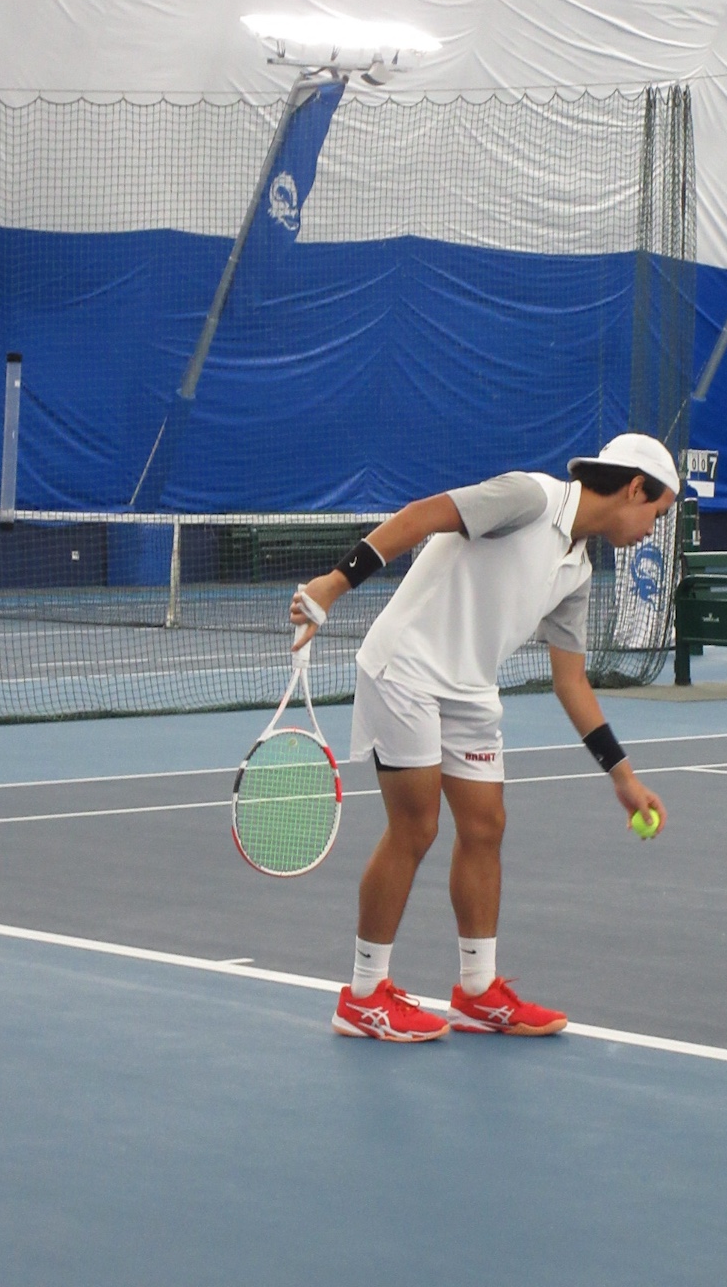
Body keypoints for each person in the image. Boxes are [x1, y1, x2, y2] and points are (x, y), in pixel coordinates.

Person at [289, 433, 678, 1042]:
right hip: (406, 670)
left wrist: (622, 778)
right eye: (657, 512)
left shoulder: (578, 569)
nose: (652, 529)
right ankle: (363, 996)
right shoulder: (530, 498)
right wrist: (333, 584)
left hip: (470, 688)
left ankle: (477, 991)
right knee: (416, 828)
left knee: (485, 826)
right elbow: (422, 516)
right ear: (634, 488)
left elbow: (571, 681)